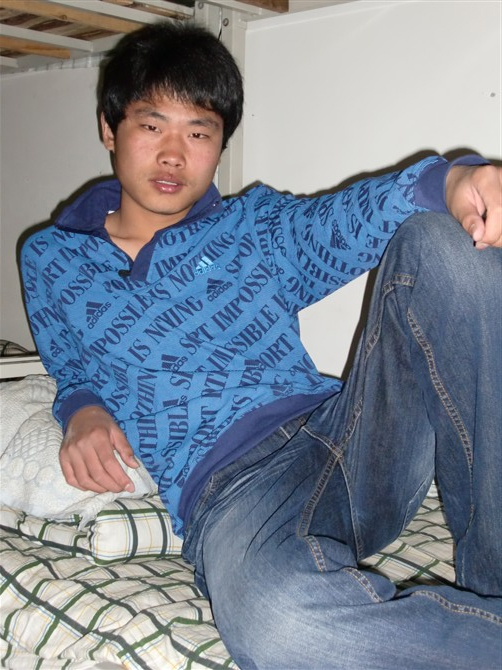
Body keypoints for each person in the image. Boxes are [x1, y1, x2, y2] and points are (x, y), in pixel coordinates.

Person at [20, 20, 501, 670]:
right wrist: (81, 408)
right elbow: (67, 358)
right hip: (232, 494)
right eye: (152, 125)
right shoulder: (51, 257)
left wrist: (450, 182)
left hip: (348, 439)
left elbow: (343, 222)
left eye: (199, 132)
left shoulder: (250, 226)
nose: (173, 154)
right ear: (110, 128)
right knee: (283, 625)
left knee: (445, 240)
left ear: (220, 146)